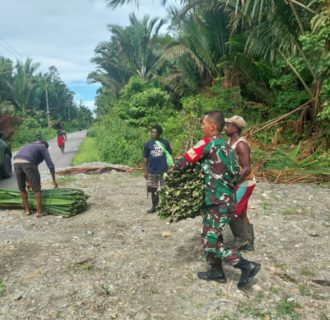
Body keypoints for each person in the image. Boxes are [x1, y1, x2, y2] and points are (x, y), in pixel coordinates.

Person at [173, 110, 260, 289]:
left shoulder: (207, 143)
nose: (202, 126)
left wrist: (171, 172)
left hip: (216, 201)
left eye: (203, 124)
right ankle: (216, 271)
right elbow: (236, 172)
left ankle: (246, 266)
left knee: (210, 241)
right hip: (227, 199)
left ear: (212, 127)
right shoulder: (227, 146)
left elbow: (185, 161)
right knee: (212, 234)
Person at [224, 115, 256, 251]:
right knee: (241, 213)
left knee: (231, 211)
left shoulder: (241, 144)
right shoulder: (229, 141)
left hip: (244, 183)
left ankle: (240, 239)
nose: (225, 127)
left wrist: (233, 182)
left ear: (235, 127)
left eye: (228, 125)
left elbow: (247, 168)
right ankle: (249, 242)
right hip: (237, 182)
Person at [13, 140, 58, 217]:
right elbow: (50, 165)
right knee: (37, 189)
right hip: (28, 162)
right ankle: (38, 212)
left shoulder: (29, 145)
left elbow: (26, 166)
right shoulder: (43, 147)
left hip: (16, 162)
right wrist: (54, 180)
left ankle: (27, 211)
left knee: (22, 188)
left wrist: (28, 181)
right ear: (45, 146)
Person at [143, 124, 172, 214]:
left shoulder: (165, 142)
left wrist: (171, 167)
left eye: (155, 132)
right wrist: (145, 171)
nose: (153, 134)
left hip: (163, 171)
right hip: (151, 171)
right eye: (152, 132)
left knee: (165, 190)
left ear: (159, 133)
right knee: (153, 191)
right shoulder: (148, 144)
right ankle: (154, 207)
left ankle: (167, 208)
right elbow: (145, 158)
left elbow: (170, 155)